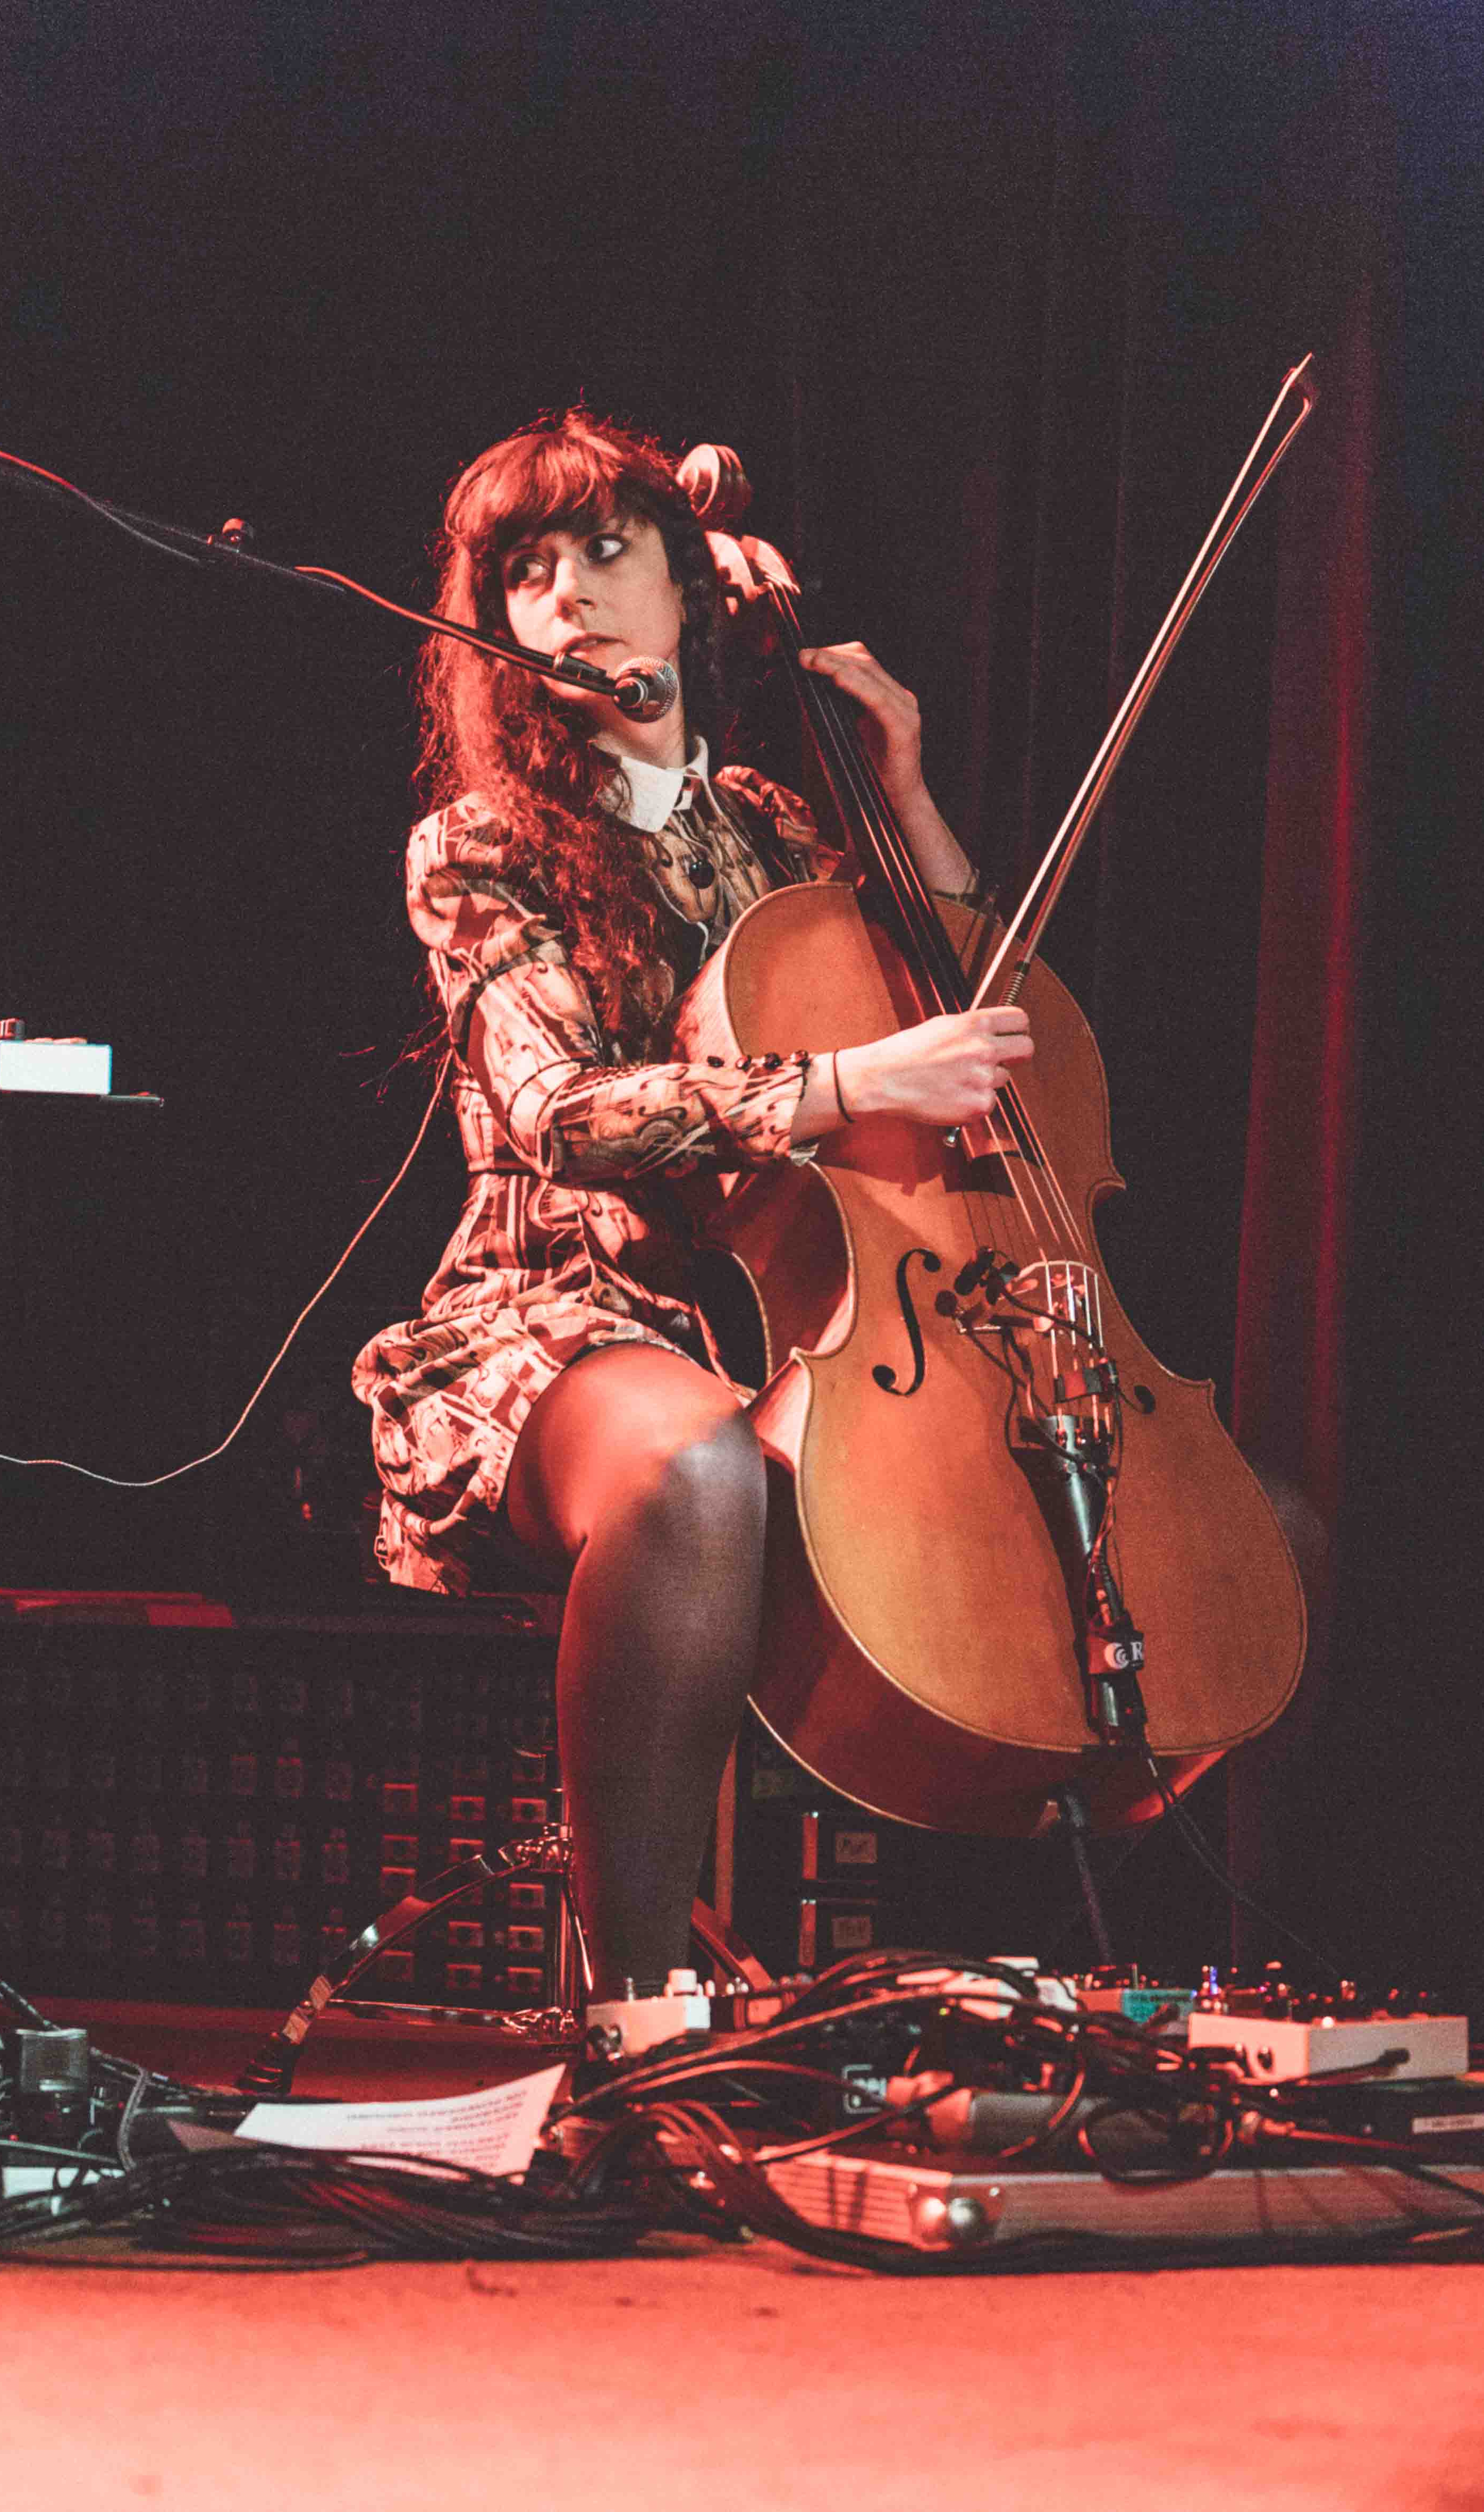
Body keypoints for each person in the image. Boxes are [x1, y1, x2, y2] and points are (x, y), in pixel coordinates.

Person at [353, 415, 1031, 2012]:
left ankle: (1018, 1984)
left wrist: (906, 798)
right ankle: (632, 2017)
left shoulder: (785, 832)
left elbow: (988, 1041)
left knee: (1209, 1543)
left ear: (687, 586)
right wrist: (846, 1080)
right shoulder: (482, 844)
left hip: (808, 1314)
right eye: (528, 572)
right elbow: (558, 1114)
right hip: (549, 1312)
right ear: (499, 623)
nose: (568, 595)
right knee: (697, 1462)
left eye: (606, 550)